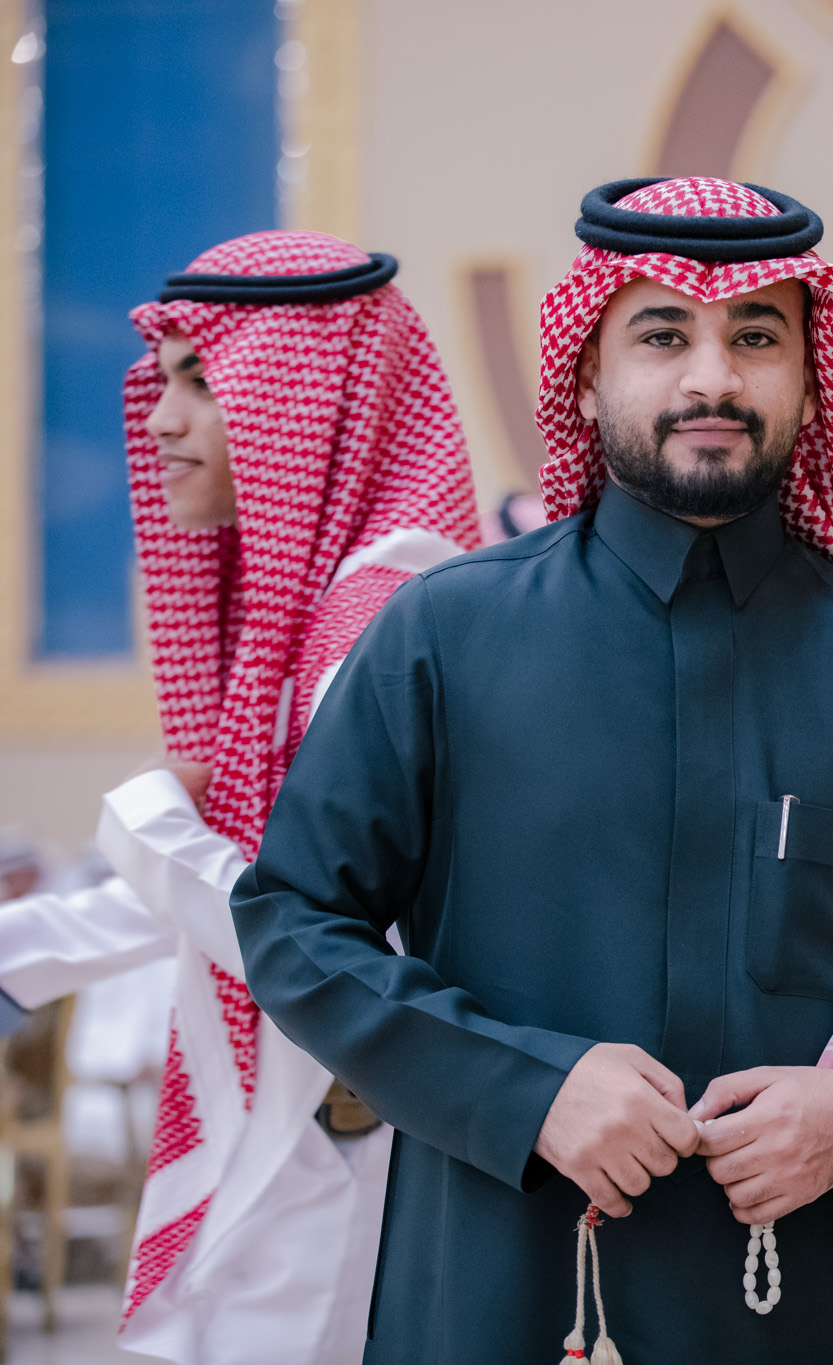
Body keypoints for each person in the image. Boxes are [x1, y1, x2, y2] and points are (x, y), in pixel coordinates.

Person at [230, 177, 833, 1365]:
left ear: (812, 377)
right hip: (497, 1300)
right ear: (585, 374)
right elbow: (295, 921)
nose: (712, 379)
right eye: (662, 336)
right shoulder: (445, 634)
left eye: (755, 338)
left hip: (809, 1314)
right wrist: (525, 1090)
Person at [0, 231, 479, 1364]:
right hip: (304, 1146)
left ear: (311, 403)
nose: (161, 421)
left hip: (349, 1152)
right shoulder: (331, 606)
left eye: (202, 381)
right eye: (163, 380)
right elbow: (246, 876)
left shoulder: (389, 613)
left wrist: (146, 822)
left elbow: (305, 931)